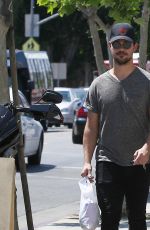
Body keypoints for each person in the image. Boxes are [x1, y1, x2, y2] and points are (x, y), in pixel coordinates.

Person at [81, 22, 150, 230]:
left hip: (140, 163)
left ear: (135, 46)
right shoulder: (98, 84)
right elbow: (91, 128)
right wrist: (86, 162)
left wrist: (148, 148)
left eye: (126, 44)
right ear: (109, 46)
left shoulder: (147, 83)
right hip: (107, 161)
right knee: (109, 219)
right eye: (116, 43)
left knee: (137, 219)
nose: (121, 48)